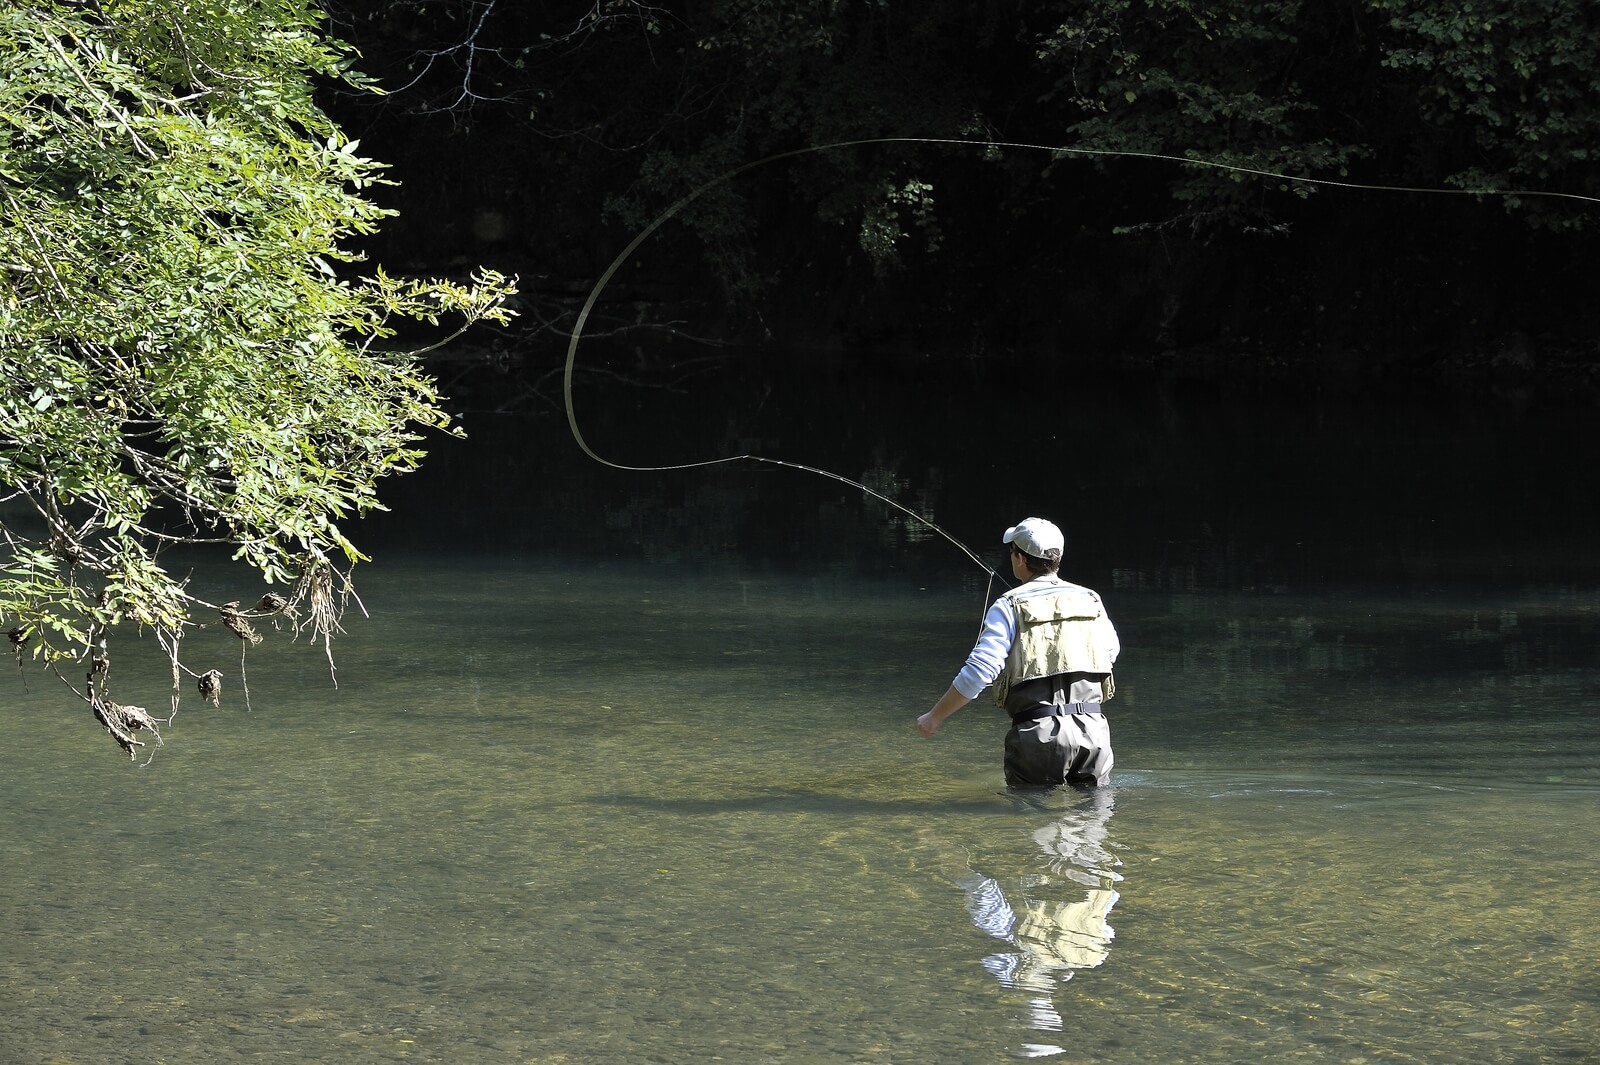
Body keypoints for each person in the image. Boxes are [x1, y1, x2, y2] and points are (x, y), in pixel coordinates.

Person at [916, 517, 1120, 788]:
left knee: (1029, 823)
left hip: (1037, 736)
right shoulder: (1091, 599)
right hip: (1094, 733)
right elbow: (1110, 652)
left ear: (1021, 559)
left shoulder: (1008, 606)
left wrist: (935, 716)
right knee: (1092, 822)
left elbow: (980, 670)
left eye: (1012, 552)